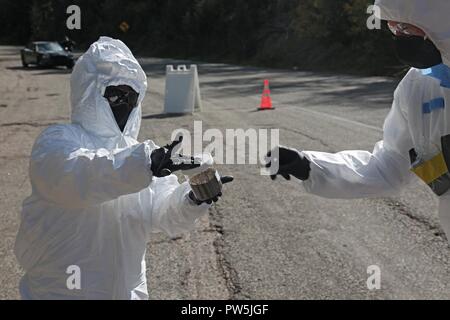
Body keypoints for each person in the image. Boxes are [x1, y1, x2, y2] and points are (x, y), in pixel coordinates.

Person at [14, 36, 232, 300]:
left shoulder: (140, 155)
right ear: (89, 92)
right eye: (116, 95)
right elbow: (75, 178)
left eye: (132, 99)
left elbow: (164, 213)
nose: (125, 106)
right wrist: (143, 164)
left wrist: (193, 198)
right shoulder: (58, 141)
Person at [265, 0, 450, 242]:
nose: (400, 38)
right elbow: (390, 165)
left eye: (406, 28)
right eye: (394, 29)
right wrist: (311, 167)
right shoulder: (418, 88)